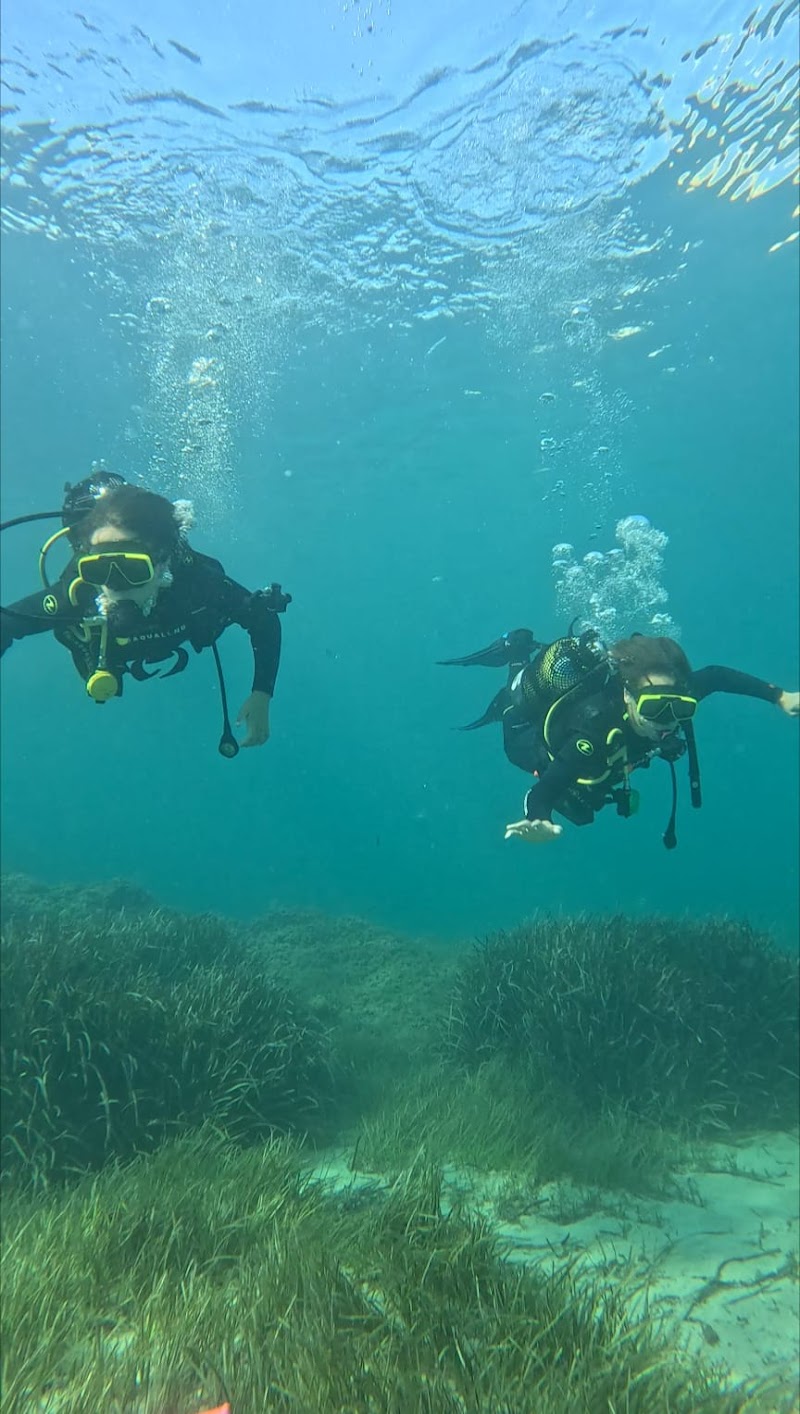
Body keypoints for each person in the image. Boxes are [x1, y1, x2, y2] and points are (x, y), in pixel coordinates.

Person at [0, 471, 290, 756]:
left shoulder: (199, 584)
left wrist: (261, 694)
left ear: (163, 562)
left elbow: (263, 619)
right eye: (99, 569)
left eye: (133, 569)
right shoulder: (79, 591)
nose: (115, 585)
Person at [440, 627, 799, 850]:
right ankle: (517, 657)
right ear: (628, 696)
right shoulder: (592, 733)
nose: (667, 721)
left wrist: (780, 696)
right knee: (516, 706)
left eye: (680, 708)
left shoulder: (675, 692)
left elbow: (717, 676)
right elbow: (543, 792)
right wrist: (538, 821)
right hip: (526, 738)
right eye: (654, 708)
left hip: (609, 759)